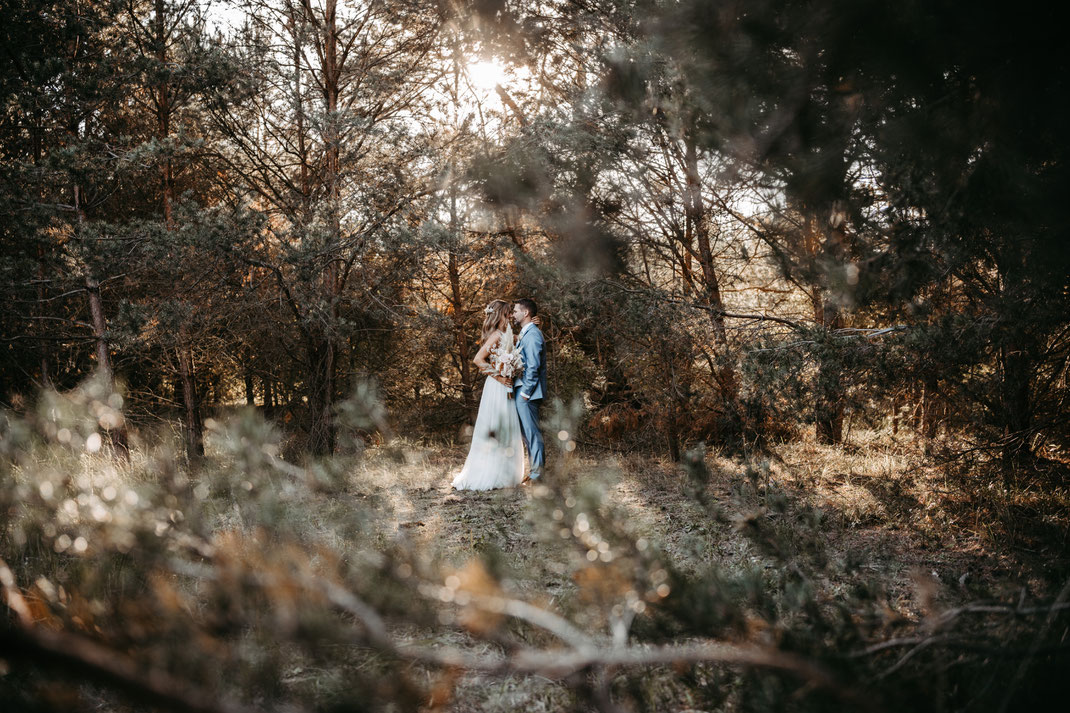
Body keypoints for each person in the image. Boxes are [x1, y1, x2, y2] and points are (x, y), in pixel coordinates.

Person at [451, 300, 525, 490]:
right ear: (500, 315)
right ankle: (491, 472)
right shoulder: (495, 335)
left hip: (506, 385)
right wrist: (499, 376)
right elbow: (478, 359)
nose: (510, 316)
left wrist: (531, 324)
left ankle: (507, 472)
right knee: (495, 425)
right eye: (508, 313)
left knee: (507, 425)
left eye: (511, 313)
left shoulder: (507, 333)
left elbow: (520, 339)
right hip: (497, 386)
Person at [511, 298, 546, 482]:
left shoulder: (532, 334)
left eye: (516, 311)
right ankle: (534, 471)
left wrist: (525, 392)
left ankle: (537, 475)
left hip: (529, 392)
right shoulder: (526, 332)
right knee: (527, 434)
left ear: (526, 313)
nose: (513, 314)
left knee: (532, 433)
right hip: (524, 390)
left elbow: (533, 366)